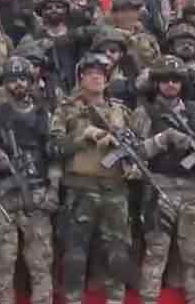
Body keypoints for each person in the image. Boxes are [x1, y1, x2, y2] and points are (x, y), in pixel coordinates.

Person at [131, 55, 195, 304]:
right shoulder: (144, 113)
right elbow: (133, 153)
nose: (170, 84)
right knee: (156, 251)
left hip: (192, 188)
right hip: (159, 186)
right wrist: (162, 140)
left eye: (176, 80)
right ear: (156, 83)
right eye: (164, 79)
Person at [52, 52, 137, 304]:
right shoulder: (67, 109)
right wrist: (83, 136)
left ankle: (115, 299)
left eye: (100, 74)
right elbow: (54, 147)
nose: (96, 78)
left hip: (115, 188)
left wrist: (130, 156)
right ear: (80, 78)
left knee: (118, 252)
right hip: (80, 188)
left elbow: (137, 145)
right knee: (75, 254)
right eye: (90, 74)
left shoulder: (120, 111)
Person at [0, 56, 59, 304]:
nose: (18, 84)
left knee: (41, 262)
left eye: (23, 79)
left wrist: (53, 189)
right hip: (4, 195)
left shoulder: (43, 114)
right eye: (12, 79)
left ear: (31, 81)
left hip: (36, 193)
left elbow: (54, 157)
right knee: (3, 261)